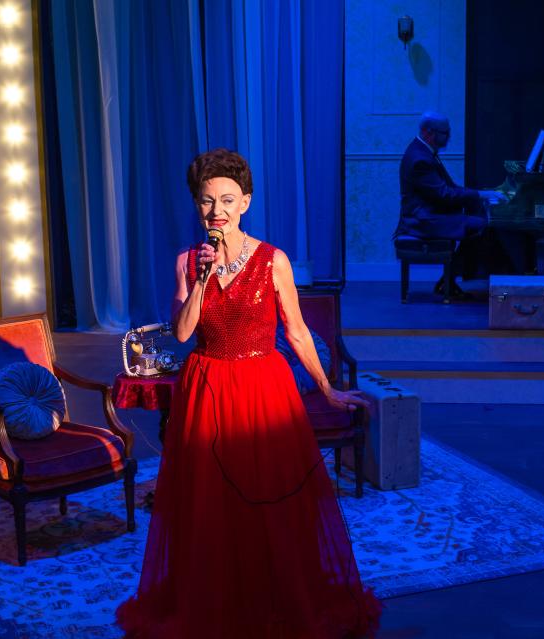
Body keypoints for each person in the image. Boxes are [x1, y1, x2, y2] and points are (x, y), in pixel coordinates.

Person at [116, 148, 382, 638]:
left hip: (263, 388)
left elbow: (298, 332)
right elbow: (180, 334)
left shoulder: (273, 260)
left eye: (226, 200)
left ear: (245, 203)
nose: (216, 210)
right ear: (198, 206)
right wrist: (201, 279)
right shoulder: (186, 262)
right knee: (210, 507)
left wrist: (327, 390)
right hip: (207, 387)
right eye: (206, 201)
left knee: (270, 501)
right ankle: (216, 602)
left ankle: (276, 596)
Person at [393, 111, 505, 296]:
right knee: (482, 227)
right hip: (423, 221)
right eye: (445, 133)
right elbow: (444, 194)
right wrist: (481, 194)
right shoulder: (419, 158)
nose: (448, 137)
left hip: (429, 215)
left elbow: (447, 189)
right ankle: (450, 280)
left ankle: (450, 280)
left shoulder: (423, 152)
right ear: (428, 132)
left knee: (478, 224)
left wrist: (478, 196)